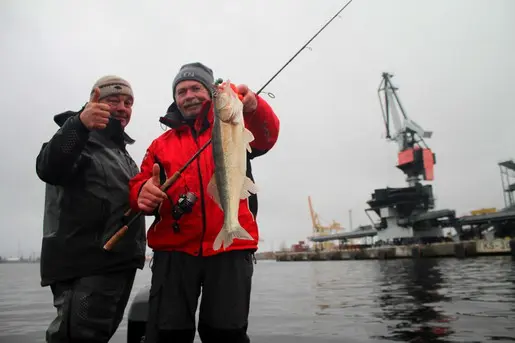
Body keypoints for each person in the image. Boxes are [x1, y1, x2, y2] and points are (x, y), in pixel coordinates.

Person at [128, 62, 280, 343]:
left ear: (210, 93)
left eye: (196, 88)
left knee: (227, 334)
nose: (189, 95)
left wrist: (254, 106)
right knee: (167, 334)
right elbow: (140, 182)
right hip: (174, 251)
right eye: (181, 91)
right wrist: (141, 193)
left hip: (231, 250)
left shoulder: (236, 123)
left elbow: (267, 135)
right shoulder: (160, 145)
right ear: (175, 98)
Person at [35, 75, 147, 343]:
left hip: (118, 266)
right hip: (84, 270)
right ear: (93, 102)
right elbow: (48, 167)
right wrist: (79, 124)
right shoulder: (78, 138)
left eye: (128, 102)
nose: (122, 107)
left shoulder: (122, 153)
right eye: (113, 100)